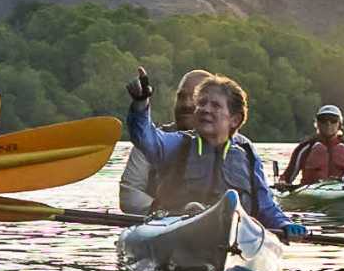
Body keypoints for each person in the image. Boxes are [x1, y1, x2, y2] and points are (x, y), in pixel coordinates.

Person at [123, 66, 305, 238]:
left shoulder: (247, 154)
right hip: (175, 230)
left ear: (234, 119)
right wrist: (141, 103)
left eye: (216, 106)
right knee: (193, 208)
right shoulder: (177, 143)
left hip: (234, 234)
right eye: (201, 103)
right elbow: (143, 137)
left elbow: (265, 206)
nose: (205, 109)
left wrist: (284, 224)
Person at [118, 66, 216, 214]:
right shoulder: (150, 142)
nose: (186, 104)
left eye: (196, 98)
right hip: (161, 220)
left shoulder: (238, 146)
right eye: (181, 97)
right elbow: (129, 196)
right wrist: (167, 213)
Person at [277, 105, 344, 187]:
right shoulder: (305, 149)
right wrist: (282, 183)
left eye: (333, 120)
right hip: (310, 194)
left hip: (343, 192)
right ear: (317, 123)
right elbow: (287, 177)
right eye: (323, 119)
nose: (328, 123)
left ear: (339, 124)